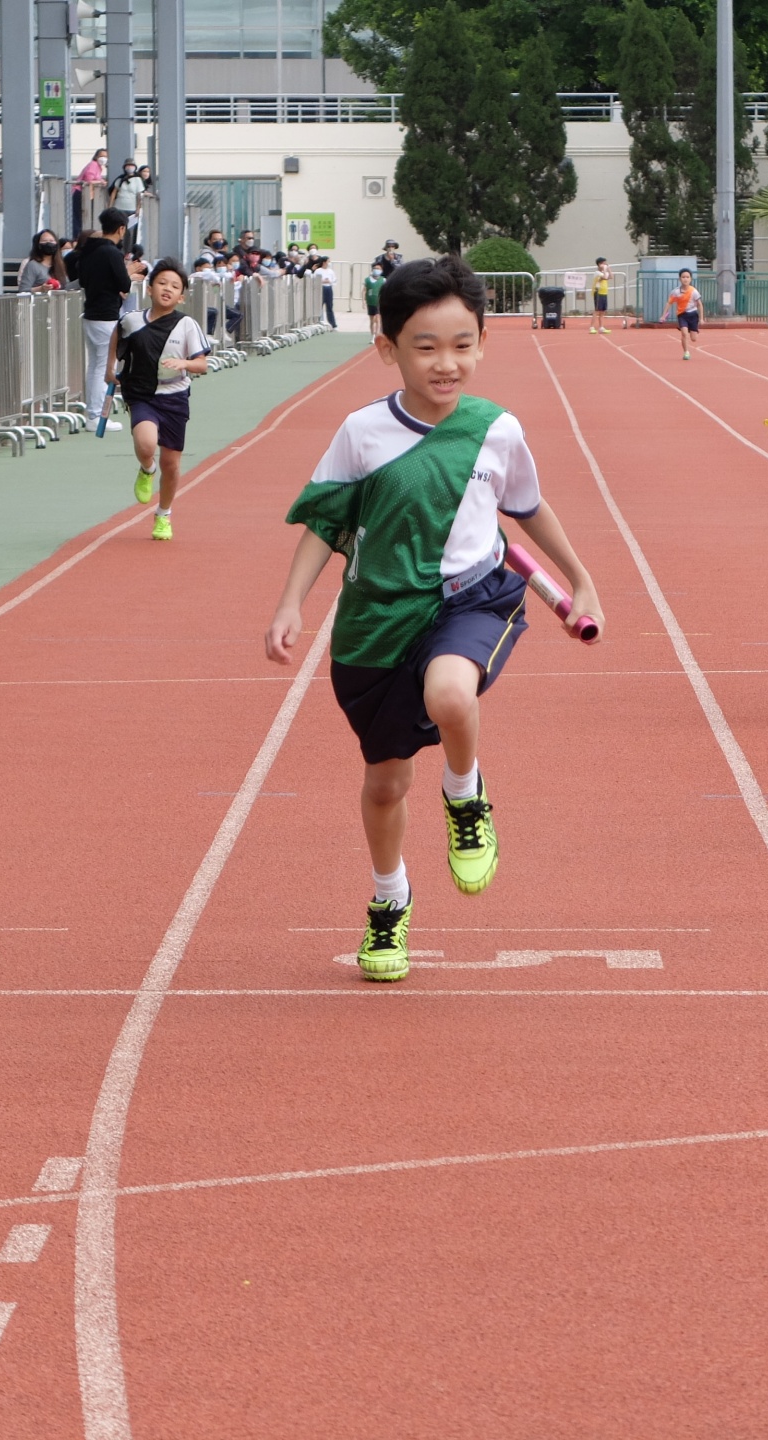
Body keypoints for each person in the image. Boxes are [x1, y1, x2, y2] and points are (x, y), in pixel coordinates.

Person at [265, 256, 603, 982]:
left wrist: (581, 579)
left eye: (461, 345)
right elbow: (324, 524)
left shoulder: (496, 429)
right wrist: (291, 603)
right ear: (387, 347)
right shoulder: (361, 432)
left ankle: (464, 793)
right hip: (375, 623)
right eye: (425, 347)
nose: (446, 363)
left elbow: (526, 507)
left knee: (450, 693)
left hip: (471, 599)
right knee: (386, 784)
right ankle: (390, 900)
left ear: (482, 342)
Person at [114, 258, 211, 542]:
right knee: (146, 444)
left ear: (181, 296)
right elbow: (116, 338)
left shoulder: (186, 325)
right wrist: (110, 370)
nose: (167, 289)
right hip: (141, 394)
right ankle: (147, 468)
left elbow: (202, 364)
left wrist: (184, 363)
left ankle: (163, 514)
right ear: (149, 288)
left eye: (174, 286)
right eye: (162, 283)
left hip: (174, 396)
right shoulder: (131, 320)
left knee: (171, 464)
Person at [74, 207, 136, 430]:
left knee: (95, 365)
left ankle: (93, 412)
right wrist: (129, 272)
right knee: (104, 366)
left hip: (91, 313)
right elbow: (124, 284)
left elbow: (82, 280)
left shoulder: (89, 250)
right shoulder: (112, 253)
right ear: (121, 229)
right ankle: (97, 416)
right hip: (106, 315)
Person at [659, 267, 703, 359]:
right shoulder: (676, 292)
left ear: (690, 279)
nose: (685, 279)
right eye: (683, 277)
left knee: (693, 339)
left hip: (693, 315)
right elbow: (669, 303)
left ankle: (692, 329)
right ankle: (686, 352)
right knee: (684, 333)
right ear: (679, 279)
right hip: (682, 315)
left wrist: (701, 318)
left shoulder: (693, 291)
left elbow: (699, 305)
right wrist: (663, 315)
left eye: (687, 277)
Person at [590, 257, 612, 333]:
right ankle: (592, 327)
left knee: (602, 311)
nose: (605, 265)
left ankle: (601, 327)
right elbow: (604, 277)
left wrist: (609, 269)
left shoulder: (604, 272)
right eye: (603, 264)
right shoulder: (597, 273)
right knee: (597, 310)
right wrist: (605, 270)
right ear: (599, 264)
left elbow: (611, 277)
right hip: (598, 292)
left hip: (604, 292)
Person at [363, 260, 384, 337]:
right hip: (370, 302)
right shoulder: (368, 280)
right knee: (372, 320)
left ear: (381, 270)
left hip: (379, 302)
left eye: (378, 268)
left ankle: (377, 334)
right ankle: (373, 335)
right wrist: (363, 301)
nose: (376, 270)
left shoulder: (383, 280)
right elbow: (364, 291)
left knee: (378, 318)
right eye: (375, 268)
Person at [317, 254, 336, 328]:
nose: (329, 263)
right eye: (328, 261)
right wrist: (322, 281)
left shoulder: (331, 271)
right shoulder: (318, 271)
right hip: (321, 288)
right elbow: (315, 280)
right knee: (319, 306)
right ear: (324, 262)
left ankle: (332, 323)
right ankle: (319, 322)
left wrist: (329, 281)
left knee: (330, 306)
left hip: (329, 288)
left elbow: (334, 280)